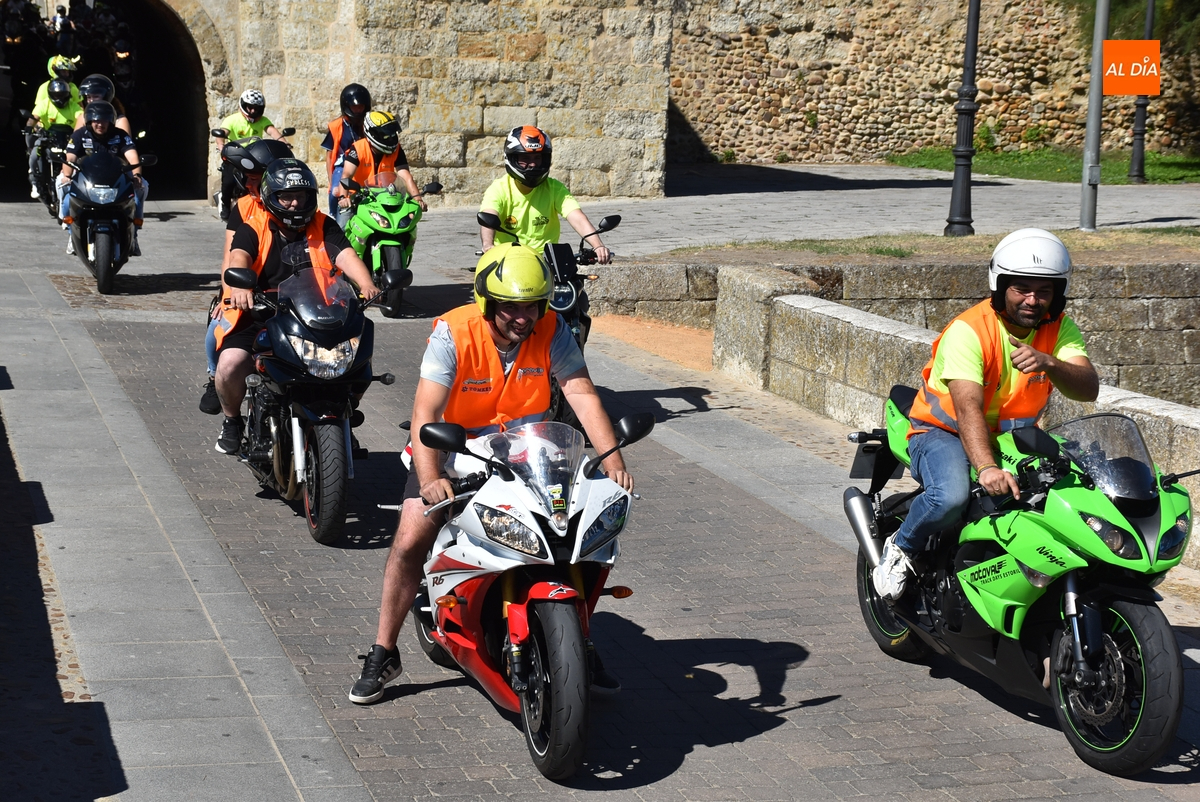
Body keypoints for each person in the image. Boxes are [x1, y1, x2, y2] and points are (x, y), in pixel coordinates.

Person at [348, 242, 633, 705]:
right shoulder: (451, 332)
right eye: (511, 308)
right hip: (452, 449)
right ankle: (384, 650)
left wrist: (614, 461)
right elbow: (426, 412)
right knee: (408, 540)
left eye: (532, 307)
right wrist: (429, 480)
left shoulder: (553, 327)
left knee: (577, 537)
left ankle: (576, 641)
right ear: (488, 302)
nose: (523, 318)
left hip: (528, 451)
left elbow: (580, 393)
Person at [872, 229, 1101, 600]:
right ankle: (902, 547)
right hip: (941, 432)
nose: (1033, 300)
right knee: (951, 497)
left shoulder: (1060, 329)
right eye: (1021, 289)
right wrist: (987, 468)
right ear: (1001, 285)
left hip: (1015, 437)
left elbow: (1088, 388)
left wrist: (1051, 363)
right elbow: (968, 409)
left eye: (1044, 291)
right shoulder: (970, 331)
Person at [212, 158, 379, 454]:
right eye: (285, 196)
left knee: (357, 362)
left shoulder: (324, 225)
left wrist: (366, 284)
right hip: (260, 311)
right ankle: (232, 420)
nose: (293, 203)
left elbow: (346, 257)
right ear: (270, 198)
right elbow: (238, 257)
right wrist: (240, 286)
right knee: (229, 364)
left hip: (315, 311)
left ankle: (344, 415)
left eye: (299, 196)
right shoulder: (254, 226)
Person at [199, 137, 294, 416]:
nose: (249, 185)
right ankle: (215, 378)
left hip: (289, 295)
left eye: (255, 179)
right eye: (248, 179)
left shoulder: (295, 205)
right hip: (248, 290)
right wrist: (227, 295)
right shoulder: (243, 207)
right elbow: (231, 256)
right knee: (215, 330)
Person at [479, 126, 612, 262]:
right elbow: (489, 217)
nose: (532, 164)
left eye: (537, 158)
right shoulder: (499, 189)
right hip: (508, 260)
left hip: (546, 262)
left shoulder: (554, 188)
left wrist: (598, 246)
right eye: (525, 158)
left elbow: (577, 217)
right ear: (511, 159)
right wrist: (488, 245)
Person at [58, 101, 145, 256]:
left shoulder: (120, 135)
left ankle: (134, 235)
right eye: (96, 120)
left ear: (111, 120)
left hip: (116, 180)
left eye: (104, 120)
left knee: (137, 200)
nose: (100, 124)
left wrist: (137, 176)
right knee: (66, 203)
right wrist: (67, 175)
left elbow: (132, 156)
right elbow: (70, 156)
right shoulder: (80, 135)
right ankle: (72, 235)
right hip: (87, 181)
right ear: (89, 120)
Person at [333, 109, 424, 227]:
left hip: (386, 197)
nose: (391, 138)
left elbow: (406, 176)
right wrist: (343, 198)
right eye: (386, 134)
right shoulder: (358, 149)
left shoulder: (396, 150)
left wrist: (417, 198)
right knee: (342, 228)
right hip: (357, 198)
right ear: (373, 133)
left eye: (392, 134)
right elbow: (346, 175)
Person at [214, 89, 290, 221]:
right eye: (250, 107)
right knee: (228, 182)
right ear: (243, 105)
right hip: (235, 158)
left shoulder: (263, 120)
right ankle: (225, 204)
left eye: (257, 108)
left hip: (254, 158)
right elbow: (222, 133)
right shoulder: (232, 120)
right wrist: (221, 146)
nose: (253, 111)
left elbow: (272, 131)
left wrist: (284, 142)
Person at [25, 77, 81, 199]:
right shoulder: (44, 104)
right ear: (50, 95)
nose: (59, 98)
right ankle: (35, 181)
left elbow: (82, 118)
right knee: (34, 155)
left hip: (69, 139)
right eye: (56, 95)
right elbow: (34, 118)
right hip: (48, 137)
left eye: (63, 95)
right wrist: (30, 127)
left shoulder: (74, 106)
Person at [321, 83, 371, 216]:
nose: (358, 110)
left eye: (361, 107)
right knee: (335, 192)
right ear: (347, 106)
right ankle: (334, 216)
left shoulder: (370, 123)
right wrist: (331, 181)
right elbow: (330, 155)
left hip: (365, 163)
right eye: (355, 107)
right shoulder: (336, 126)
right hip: (342, 165)